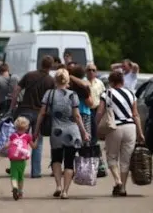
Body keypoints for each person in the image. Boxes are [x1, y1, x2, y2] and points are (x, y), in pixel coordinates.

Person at [33, 68, 90, 199]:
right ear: (67, 80)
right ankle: (65, 191)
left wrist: (36, 131)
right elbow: (77, 116)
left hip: (56, 132)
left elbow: (42, 113)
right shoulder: (73, 95)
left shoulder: (49, 94)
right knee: (69, 162)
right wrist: (84, 132)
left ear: (55, 80)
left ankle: (58, 185)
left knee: (56, 159)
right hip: (72, 132)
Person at [95, 71, 145, 197]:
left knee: (112, 156)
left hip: (114, 127)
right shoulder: (131, 93)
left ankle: (117, 181)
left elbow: (100, 111)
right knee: (126, 160)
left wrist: (95, 125)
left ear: (111, 82)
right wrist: (140, 132)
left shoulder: (106, 93)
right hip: (130, 127)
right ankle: (122, 188)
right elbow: (136, 114)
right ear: (122, 81)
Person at [10, 55, 55, 178]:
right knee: (37, 142)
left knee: (18, 139)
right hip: (40, 113)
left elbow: (16, 90)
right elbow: (52, 99)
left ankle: (15, 165)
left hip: (24, 111)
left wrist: (12, 107)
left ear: (41, 64)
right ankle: (36, 172)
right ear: (51, 66)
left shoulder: (29, 75)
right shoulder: (51, 81)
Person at [6, 116, 38, 200]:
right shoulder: (27, 137)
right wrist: (37, 140)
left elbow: (7, 145)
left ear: (15, 126)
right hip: (22, 160)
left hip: (13, 160)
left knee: (14, 176)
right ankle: (20, 192)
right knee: (21, 177)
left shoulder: (13, 136)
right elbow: (34, 147)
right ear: (27, 127)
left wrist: (3, 148)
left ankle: (14, 187)